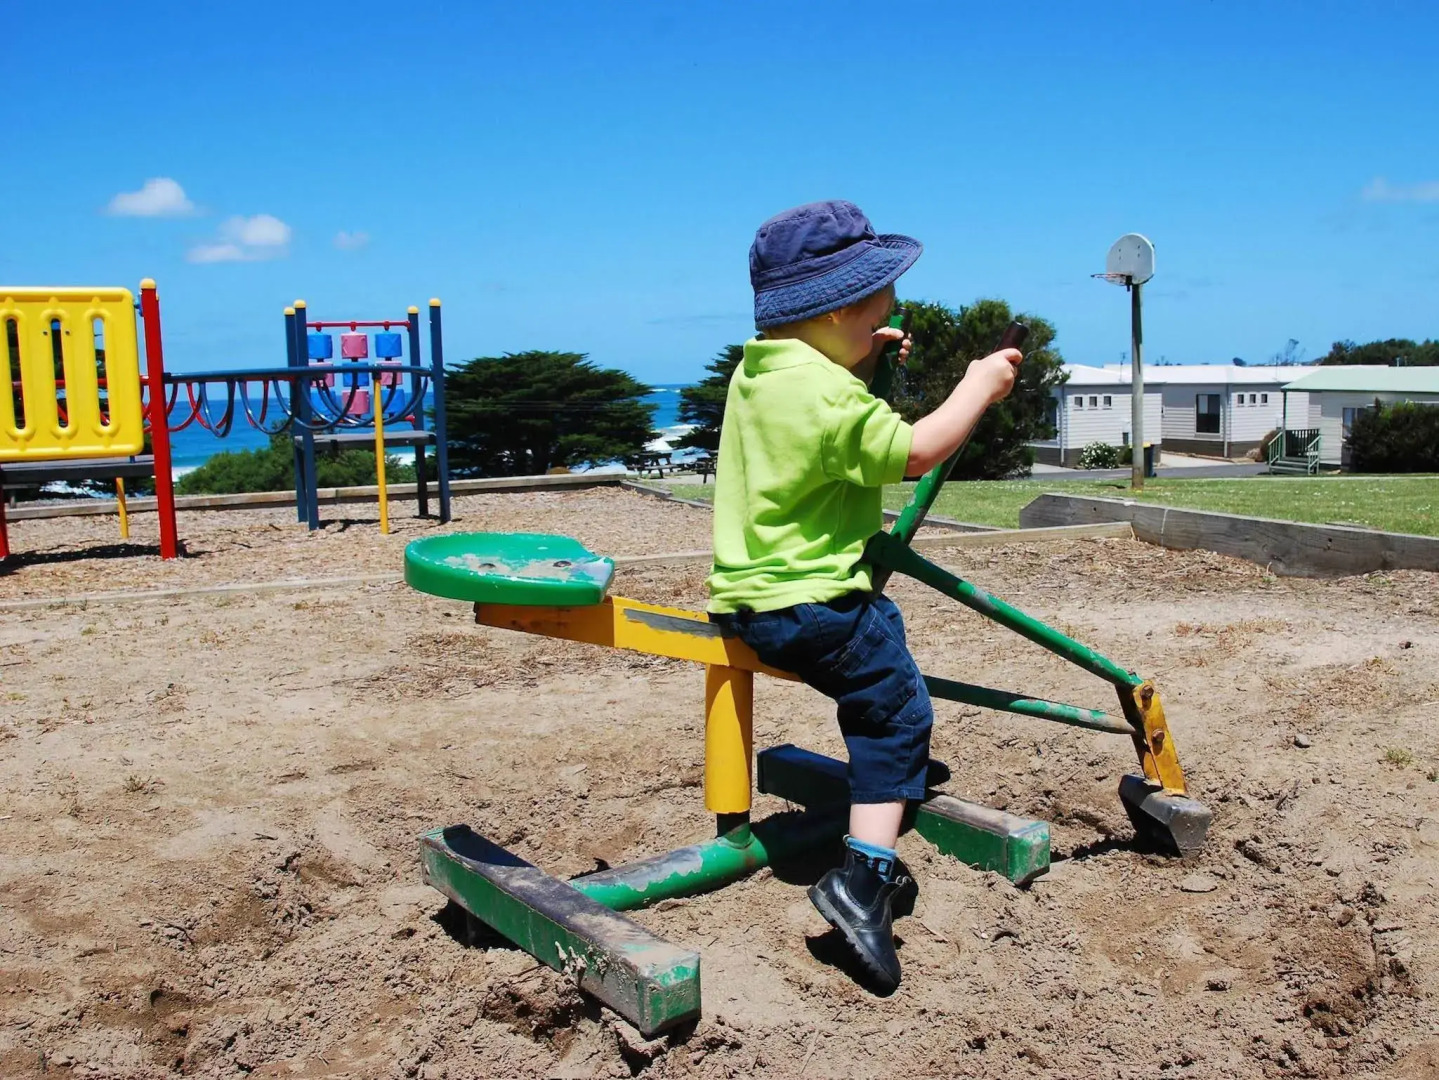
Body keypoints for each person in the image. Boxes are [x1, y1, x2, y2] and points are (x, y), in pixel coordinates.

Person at [707, 200, 1023, 992]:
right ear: (838, 308)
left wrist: (862, 360)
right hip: (809, 605)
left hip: (747, 596)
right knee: (896, 708)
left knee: (880, 632)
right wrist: (977, 386)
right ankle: (863, 880)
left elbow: (817, 426)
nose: (892, 314)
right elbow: (915, 451)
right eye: (882, 303)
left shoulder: (761, 372)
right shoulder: (825, 395)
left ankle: (881, 796)